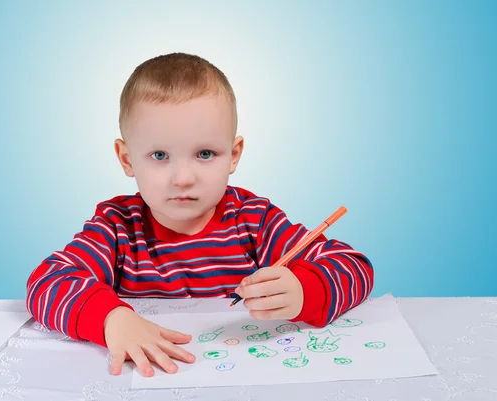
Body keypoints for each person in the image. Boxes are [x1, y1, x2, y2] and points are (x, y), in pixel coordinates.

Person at [26, 52, 374, 378]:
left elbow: (354, 265)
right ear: (127, 159)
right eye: (160, 155)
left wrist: (303, 291)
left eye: (205, 153)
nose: (183, 178)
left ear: (234, 155)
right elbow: (46, 283)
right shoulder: (117, 226)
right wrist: (111, 318)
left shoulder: (253, 219)